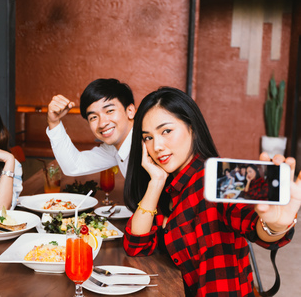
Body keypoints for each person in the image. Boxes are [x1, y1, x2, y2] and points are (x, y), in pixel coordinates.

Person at [123, 87, 300, 296]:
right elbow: (136, 245)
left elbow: (252, 222)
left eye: (166, 131)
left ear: (192, 128)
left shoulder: (218, 179)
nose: (157, 146)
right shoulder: (170, 185)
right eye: (148, 138)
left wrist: (275, 226)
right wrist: (156, 181)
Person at [46, 78, 135, 177]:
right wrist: (54, 122)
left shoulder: (148, 144)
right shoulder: (115, 147)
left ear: (130, 111)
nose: (102, 124)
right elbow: (75, 166)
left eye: (109, 111)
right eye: (93, 117)